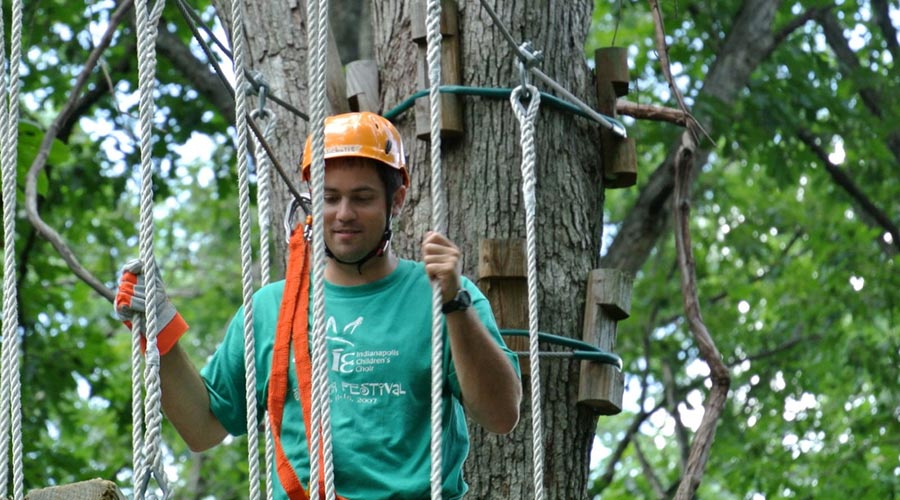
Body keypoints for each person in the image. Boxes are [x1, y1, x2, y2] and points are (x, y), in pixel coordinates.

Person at [115, 112, 522, 500]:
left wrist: (454, 302)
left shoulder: (443, 296)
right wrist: (160, 331)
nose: (343, 214)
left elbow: (501, 415)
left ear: (395, 201)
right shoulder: (272, 309)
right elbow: (204, 427)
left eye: (362, 198)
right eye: (329, 198)